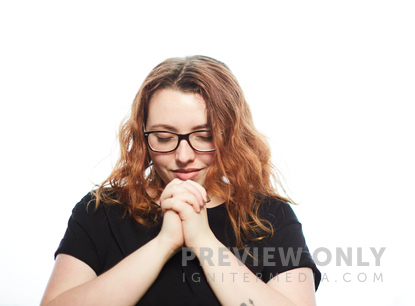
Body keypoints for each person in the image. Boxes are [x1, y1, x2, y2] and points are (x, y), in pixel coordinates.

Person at [41, 56, 321, 305]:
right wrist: (166, 242)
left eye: (204, 136)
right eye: (164, 138)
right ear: (142, 136)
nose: (183, 155)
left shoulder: (270, 216)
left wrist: (202, 239)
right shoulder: (101, 210)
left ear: (230, 134)